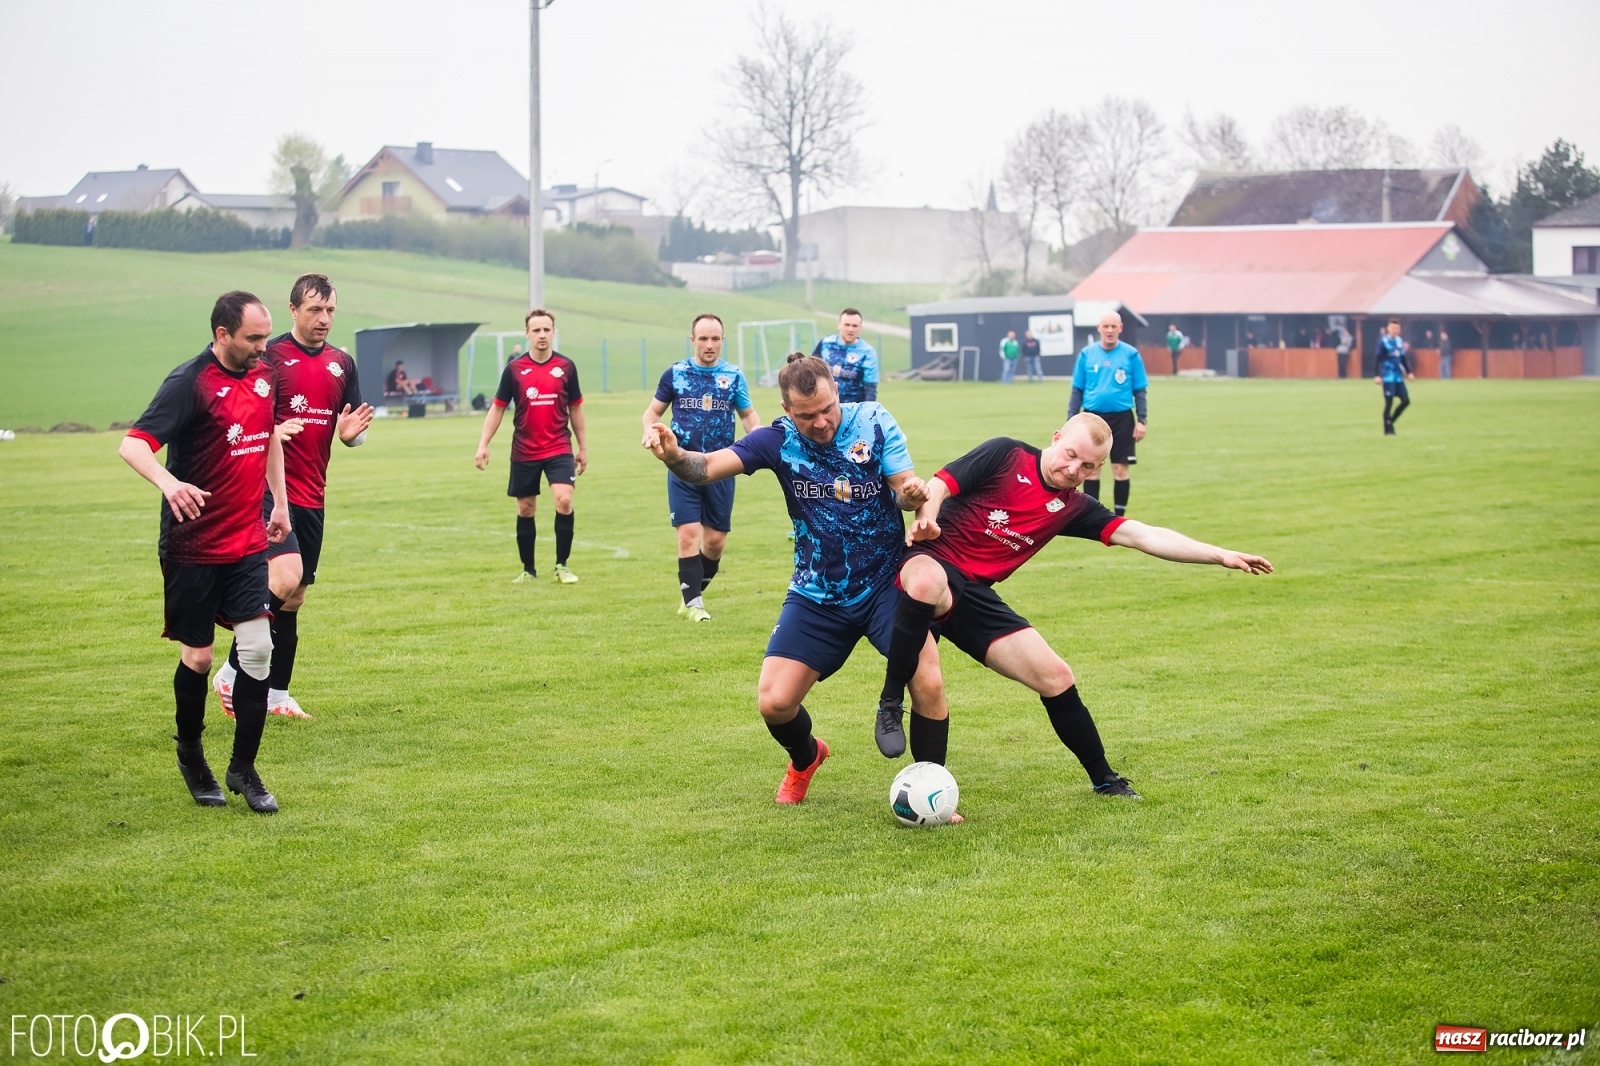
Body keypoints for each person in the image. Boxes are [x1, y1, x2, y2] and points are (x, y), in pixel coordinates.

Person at [875, 412, 1273, 799]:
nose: (1073, 470)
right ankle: (892, 705)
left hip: (975, 593)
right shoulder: (1006, 455)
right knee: (930, 663)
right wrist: (927, 520)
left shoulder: (1072, 507)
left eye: (1087, 466)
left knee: (1056, 675)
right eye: (1070, 456)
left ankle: (1104, 779)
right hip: (926, 566)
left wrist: (1219, 554)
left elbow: (1143, 535)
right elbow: (940, 485)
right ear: (1056, 438)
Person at [643, 353, 951, 804]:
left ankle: (932, 790)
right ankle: (806, 757)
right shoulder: (776, 440)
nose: (822, 422)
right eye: (807, 415)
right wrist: (672, 455)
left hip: (887, 582)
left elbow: (906, 489)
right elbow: (704, 468)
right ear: (788, 410)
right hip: (817, 592)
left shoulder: (874, 421)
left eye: (827, 409)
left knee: (927, 679)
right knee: (774, 702)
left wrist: (912, 496)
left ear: (836, 393)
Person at [116, 291, 295, 813]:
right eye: (253, 339)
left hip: (245, 540)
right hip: (193, 546)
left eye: (266, 336)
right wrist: (171, 485)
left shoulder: (266, 376)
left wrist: (279, 504)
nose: (264, 348)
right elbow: (132, 445)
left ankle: (244, 769)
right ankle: (192, 755)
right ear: (222, 334)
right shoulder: (188, 382)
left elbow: (267, 440)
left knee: (259, 649)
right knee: (197, 657)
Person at [212, 274, 373, 721]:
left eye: (330, 311)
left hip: (312, 496)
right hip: (266, 490)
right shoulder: (270, 357)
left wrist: (349, 437)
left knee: (295, 597)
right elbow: (238, 419)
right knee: (282, 579)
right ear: (293, 310)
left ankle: (277, 695)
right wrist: (272, 433)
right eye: (314, 310)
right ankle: (230, 670)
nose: (324, 319)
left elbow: (350, 432)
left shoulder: (343, 363)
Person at [640, 313, 760, 621]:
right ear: (692, 340)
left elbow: (747, 416)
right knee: (688, 533)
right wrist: (650, 430)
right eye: (703, 338)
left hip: (722, 466)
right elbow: (652, 412)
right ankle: (693, 603)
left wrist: (759, 440)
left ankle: (691, 593)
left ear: (723, 340)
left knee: (715, 542)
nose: (709, 345)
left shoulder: (733, 376)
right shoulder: (676, 374)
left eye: (715, 338)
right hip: (682, 464)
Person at [476, 308, 587, 583]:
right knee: (526, 508)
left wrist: (583, 447)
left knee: (563, 499)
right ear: (527, 333)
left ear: (553, 332)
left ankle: (562, 565)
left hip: (559, 446)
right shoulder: (514, 370)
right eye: (536, 330)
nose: (541, 335)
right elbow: (498, 409)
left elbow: (576, 410)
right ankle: (528, 570)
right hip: (525, 449)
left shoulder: (567, 367)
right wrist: (483, 444)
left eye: (546, 330)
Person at [1068, 311, 1147, 516]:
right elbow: (1077, 390)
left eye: (1114, 326)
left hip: (1122, 419)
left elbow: (1139, 390)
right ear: (1099, 328)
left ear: (1120, 328)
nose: (1110, 330)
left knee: (1120, 469)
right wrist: (1071, 420)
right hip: (1092, 418)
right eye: (1106, 326)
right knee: (1091, 469)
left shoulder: (1131, 355)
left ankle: (1119, 517)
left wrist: (1142, 420)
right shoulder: (1087, 354)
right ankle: (1093, 516)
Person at [811, 307, 878, 403]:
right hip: (825, 406)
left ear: (860, 328)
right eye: (847, 325)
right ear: (838, 325)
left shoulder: (867, 352)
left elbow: (870, 389)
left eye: (855, 326)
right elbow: (811, 371)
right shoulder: (826, 343)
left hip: (853, 409)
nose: (850, 329)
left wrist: (868, 412)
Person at [1373, 318, 1414, 435]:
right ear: (1388, 328)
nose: (1395, 330)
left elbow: (1403, 358)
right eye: (1393, 328)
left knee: (1405, 401)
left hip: (1398, 377)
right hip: (1387, 377)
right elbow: (1377, 359)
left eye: (1397, 328)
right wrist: (1377, 375)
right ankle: (1388, 430)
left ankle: (1390, 421)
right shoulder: (1383, 341)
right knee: (1389, 403)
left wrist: (1409, 371)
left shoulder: (1400, 341)